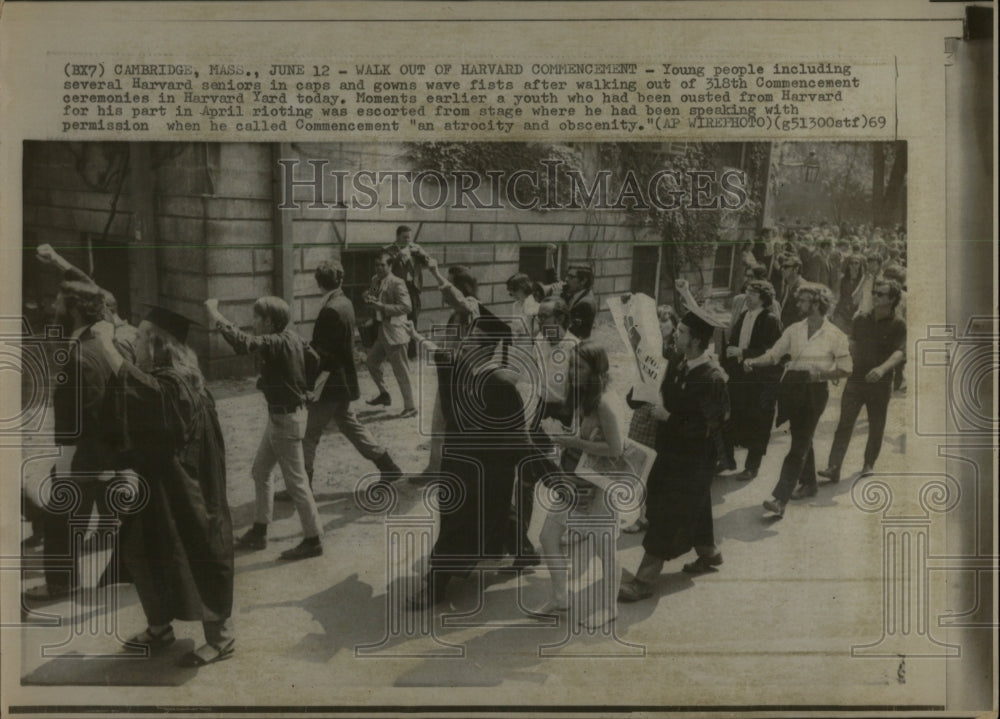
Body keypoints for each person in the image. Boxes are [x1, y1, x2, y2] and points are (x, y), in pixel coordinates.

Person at [92, 306, 235, 667]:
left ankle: (220, 638)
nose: (135, 342)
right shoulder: (167, 375)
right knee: (143, 549)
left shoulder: (178, 381)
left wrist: (107, 346)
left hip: (187, 490)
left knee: (197, 552)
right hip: (160, 484)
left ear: (157, 344)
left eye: (141, 337)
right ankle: (160, 626)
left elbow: (147, 394)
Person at [404, 319, 530, 609]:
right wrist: (414, 334)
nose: (464, 342)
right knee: (489, 514)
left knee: (458, 524)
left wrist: (543, 473)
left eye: (473, 339)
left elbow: (520, 436)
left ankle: (435, 587)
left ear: (487, 348)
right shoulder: (458, 366)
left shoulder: (500, 384)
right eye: (468, 336)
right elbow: (436, 351)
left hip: (488, 469)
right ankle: (524, 549)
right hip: (457, 461)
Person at [618, 309, 729, 603]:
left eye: (681, 332)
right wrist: (639, 390)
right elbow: (651, 392)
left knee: (668, 514)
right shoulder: (678, 363)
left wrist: (669, 417)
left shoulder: (712, 377)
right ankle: (710, 553)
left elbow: (711, 426)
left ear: (695, 340)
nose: (675, 335)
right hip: (668, 453)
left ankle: (644, 580)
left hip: (693, 460)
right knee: (696, 505)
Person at [206, 296, 324, 561]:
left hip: (286, 421)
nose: (253, 322)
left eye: (257, 317)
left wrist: (216, 315)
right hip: (281, 418)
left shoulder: (274, 341)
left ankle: (313, 539)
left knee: (297, 484)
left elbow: (243, 344)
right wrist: (299, 386)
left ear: (270, 321)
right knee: (261, 472)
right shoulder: (292, 337)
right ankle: (259, 532)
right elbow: (315, 360)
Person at [24, 280, 117, 601]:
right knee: (70, 522)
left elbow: (77, 422)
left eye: (60, 304)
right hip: (99, 455)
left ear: (76, 309)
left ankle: (62, 585)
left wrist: (63, 469)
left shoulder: (78, 358)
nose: (54, 309)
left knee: (59, 521)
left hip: (81, 459)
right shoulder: (99, 347)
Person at [289, 260, 403, 498]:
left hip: (330, 382)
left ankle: (301, 487)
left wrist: (311, 382)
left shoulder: (330, 309)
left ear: (319, 283)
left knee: (309, 437)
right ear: (340, 280)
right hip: (343, 381)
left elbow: (323, 354)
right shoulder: (345, 302)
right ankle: (389, 467)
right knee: (350, 425)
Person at [534, 341, 626, 628]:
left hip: (600, 484)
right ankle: (561, 597)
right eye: (571, 364)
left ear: (596, 369)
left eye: (580, 366)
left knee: (604, 548)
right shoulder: (583, 396)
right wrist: (564, 438)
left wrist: (574, 441)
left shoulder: (604, 402)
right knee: (548, 536)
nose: (573, 371)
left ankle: (610, 607)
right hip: (575, 479)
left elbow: (616, 449)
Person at [744, 284, 852, 518]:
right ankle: (810, 483)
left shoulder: (835, 335)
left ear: (816, 304)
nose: (798, 305)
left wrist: (822, 375)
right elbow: (774, 355)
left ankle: (779, 499)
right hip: (792, 388)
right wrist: (754, 361)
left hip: (815, 391)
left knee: (798, 444)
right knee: (802, 436)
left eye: (803, 301)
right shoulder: (794, 329)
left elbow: (846, 369)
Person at [818, 279, 906, 483]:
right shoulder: (860, 319)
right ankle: (834, 466)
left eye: (880, 294)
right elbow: (852, 345)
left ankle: (868, 464)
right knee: (845, 423)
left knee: (876, 423)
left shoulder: (898, 324)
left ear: (892, 299)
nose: (875, 296)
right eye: (874, 292)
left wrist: (882, 369)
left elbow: (900, 352)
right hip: (856, 379)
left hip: (880, 382)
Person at [512, 296, 578, 566]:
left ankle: (577, 517)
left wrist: (570, 430)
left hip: (565, 414)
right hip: (541, 413)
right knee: (526, 478)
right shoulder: (539, 341)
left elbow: (578, 395)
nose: (539, 323)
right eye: (538, 318)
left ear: (561, 319)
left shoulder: (575, 348)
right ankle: (522, 548)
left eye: (545, 318)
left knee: (556, 475)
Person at [622, 303, 679, 534]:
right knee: (636, 465)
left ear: (674, 325)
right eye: (657, 321)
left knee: (654, 468)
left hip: (662, 412)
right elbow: (638, 383)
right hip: (643, 412)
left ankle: (648, 516)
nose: (661, 325)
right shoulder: (647, 349)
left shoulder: (676, 353)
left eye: (666, 320)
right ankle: (638, 514)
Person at [722, 280, 783, 482]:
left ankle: (752, 466)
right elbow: (733, 341)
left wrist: (744, 352)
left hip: (759, 380)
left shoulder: (770, 320)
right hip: (739, 376)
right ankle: (727, 459)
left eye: (753, 294)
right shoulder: (744, 315)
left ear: (763, 298)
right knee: (731, 416)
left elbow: (772, 352)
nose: (747, 296)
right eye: (747, 292)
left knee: (758, 422)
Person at [363, 250, 416, 417]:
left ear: (390, 266)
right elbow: (371, 295)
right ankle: (384, 394)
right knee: (371, 362)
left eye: (382, 265)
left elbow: (407, 307)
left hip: (396, 332)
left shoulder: (397, 283)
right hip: (381, 331)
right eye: (376, 265)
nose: (379, 268)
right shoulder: (374, 279)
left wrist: (382, 308)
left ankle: (411, 407)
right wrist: (367, 297)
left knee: (401, 371)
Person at [383, 225, 426, 359]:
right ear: (397, 237)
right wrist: (397, 258)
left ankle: (411, 353)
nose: (408, 240)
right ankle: (395, 353)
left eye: (409, 237)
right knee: (397, 320)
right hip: (397, 290)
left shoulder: (415, 249)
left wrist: (422, 254)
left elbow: (428, 263)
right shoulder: (388, 250)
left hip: (412, 289)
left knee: (413, 319)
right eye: (404, 237)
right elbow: (384, 269)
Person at [832, 254, 866, 332]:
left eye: (856, 263)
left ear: (860, 265)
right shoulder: (842, 279)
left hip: (856, 312)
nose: (854, 265)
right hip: (841, 310)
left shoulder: (863, 280)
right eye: (851, 263)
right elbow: (836, 295)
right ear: (848, 265)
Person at [506, 272, 541, 339]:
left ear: (524, 288)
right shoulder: (515, 306)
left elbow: (535, 333)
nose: (513, 294)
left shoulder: (536, 307)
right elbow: (515, 328)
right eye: (511, 292)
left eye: (514, 290)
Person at [777, 254, 806, 329]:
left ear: (796, 269)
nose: (782, 269)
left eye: (786, 267)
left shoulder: (803, 288)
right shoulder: (787, 286)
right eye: (782, 267)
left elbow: (802, 318)